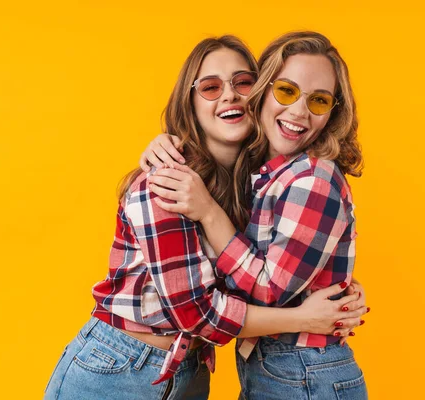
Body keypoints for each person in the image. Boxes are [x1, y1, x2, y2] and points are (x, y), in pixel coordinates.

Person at [44, 35, 366, 400]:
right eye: (210, 87)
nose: (229, 95)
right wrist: (305, 319)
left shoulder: (256, 186)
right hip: (117, 369)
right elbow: (195, 313)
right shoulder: (167, 181)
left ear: (259, 93)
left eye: (242, 82)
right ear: (190, 104)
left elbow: (265, 269)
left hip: (188, 372)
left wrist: (336, 286)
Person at [143, 31, 369, 399]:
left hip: (302, 370)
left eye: (319, 100)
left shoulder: (312, 178)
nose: (299, 111)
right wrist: (165, 141)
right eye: (286, 91)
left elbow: (269, 289)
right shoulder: (264, 173)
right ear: (263, 91)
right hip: (280, 367)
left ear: (332, 113)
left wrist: (208, 211)